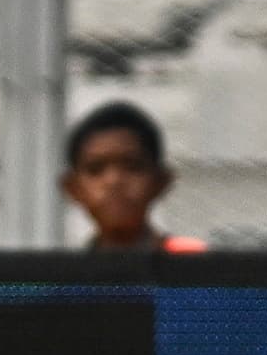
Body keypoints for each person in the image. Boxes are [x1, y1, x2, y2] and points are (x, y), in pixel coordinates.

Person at [60, 100, 205, 253]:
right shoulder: (64, 274)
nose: (114, 181)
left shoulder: (195, 267)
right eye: (95, 169)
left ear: (161, 181)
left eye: (132, 166)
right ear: (73, 188)